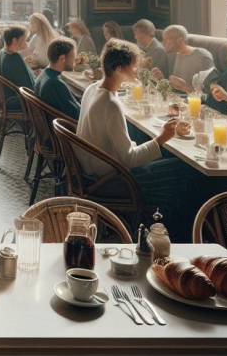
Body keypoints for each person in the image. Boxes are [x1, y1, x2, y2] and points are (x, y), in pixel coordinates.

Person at [75, 39, 187, 222]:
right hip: (111, 179)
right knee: (182, 169)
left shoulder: (92, 89)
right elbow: (130, 159)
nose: (137, 70)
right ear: (119, 69)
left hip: (90, 169)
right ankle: (169, 231)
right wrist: (162, 138)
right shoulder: (110, 104)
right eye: (134, 66)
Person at [151, 25, 215, 92]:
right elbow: (175, 90)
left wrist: (186, 88)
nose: (162, 43)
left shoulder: (202, 56)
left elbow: (210, 93)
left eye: (166, 40)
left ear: (179, 40)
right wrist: (162, 80)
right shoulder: (172, 55)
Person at [35, 37, 81, 120]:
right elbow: (78, 115)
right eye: (73, 57)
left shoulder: (43, 75)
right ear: (62, 59)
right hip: (64, 130)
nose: (74, 61)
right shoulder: (55, 83)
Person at [0, 25, 35, 111]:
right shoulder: (14, 57)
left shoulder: (2, 52)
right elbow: (29, 85)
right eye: (25, 40)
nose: (27, 43)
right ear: (15, 41)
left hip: (7, 96)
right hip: (17, 99)